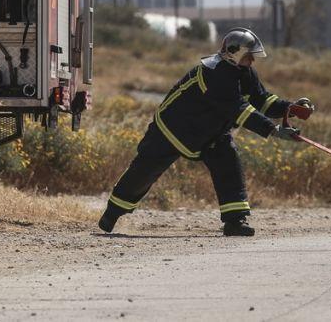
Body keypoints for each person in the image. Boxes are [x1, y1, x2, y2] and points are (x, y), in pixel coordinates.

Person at [98, 28, 313, 236]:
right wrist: (273, 130)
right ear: (234, 54)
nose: (252, 61)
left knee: (228, 163)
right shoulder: (214, 73)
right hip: (173, 129)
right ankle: (112, 214)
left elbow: (262, 99)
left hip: (211, 133)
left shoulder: (244, 72)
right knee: (143, 171)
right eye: (249, 56)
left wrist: (290, 108)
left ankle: (235, 222)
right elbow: (239, 109)